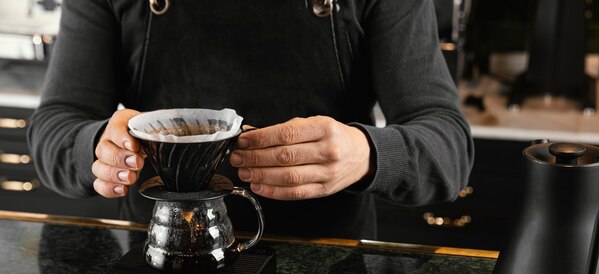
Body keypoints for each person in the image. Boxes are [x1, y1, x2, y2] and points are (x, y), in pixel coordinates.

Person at [27, 0, 473, 240]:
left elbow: (447, 146)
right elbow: (55, 124)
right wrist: (98, 148)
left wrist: (367, 154)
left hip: (328, 271)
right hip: (160, 265)